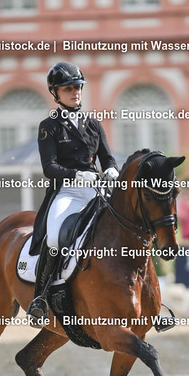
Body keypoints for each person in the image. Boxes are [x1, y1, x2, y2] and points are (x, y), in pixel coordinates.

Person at [27, 61, 118, 324]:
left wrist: (111, 169)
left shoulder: (94, 124)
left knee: (126, 225)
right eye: (68, 88)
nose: (75, 92)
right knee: (55, 238)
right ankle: (40, 298)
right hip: (67, 192)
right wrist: (76, 174)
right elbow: (49, 167)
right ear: (55, 93)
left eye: (78, 87)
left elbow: (107, 157)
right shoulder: (49, 126)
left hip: (96, 191)